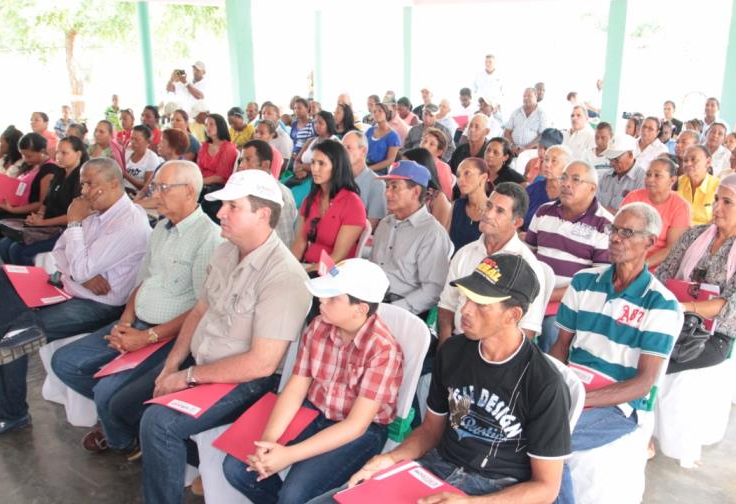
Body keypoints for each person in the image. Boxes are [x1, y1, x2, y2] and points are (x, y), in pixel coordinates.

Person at [310, 253, 572, 504]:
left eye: (480, 304)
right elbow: (430, 430)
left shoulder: (543, 383)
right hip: (436, 469)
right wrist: (390, 460)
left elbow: (546, 488)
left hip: (496, 488)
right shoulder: (453, 351)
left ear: (513, 315)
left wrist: (471, 502)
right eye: (466, 297)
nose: (465, 310)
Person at [139, 169, 310, 503]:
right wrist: (172, 366)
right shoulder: (226, 250)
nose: (220, 213)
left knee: (157, 423)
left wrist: (186, 376)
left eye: (233, 207)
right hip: (206, 364)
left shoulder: (284, 276)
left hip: (247, 382)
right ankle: (191, 464)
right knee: (139, 395)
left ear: (262, 215)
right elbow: (200, 311)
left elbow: (261, 364)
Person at [0, 158, 152, 440]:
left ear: (115, 184)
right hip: (73, 288)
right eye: (83, 184)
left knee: (11, 333)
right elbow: (59, 251)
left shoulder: (129, 221)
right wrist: (84, 275)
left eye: (91, 184)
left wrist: (75, 224)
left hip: (100, 305)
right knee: (4, 276)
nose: (85, 191)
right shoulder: (94, 210)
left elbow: (76, 263)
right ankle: (17, 336)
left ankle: (9, 413)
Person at [49, 161, 221, 454]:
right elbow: (143, 281)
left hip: (166, 337)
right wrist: (125, 322)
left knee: (106, 392)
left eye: (163, 188)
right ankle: (123, 418)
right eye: (155, 186)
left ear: (189, 192)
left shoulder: (209, 238)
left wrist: (147, 337)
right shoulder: (163, 229)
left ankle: (120, 436)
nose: (155, 194)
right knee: (64, 362)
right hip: (137, 323)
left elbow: (199, 309)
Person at [222, 257, 402, 503]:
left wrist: (288, 455)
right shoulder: (319, 326)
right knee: (238, 467)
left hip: (359, 431)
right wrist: (269, 442)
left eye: (332, 298)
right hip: (314, 410)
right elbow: (296, 388)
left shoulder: (383, 350)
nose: (321, 301)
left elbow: (356, 425)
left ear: (359, 309)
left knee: (294, 495)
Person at [552, 203, 681, 463]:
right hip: (575, 383)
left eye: (627, 233)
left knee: (548, 438)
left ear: (651, 242)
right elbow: (560, 347)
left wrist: (580, 399)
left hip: (619, 405)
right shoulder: (584, 281)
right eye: (614, 229)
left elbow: (644, 383)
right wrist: (548, 386)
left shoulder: (661, 303)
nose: (614, 238)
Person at [655, 173, 736, 373]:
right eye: (716, 199)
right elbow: (663, 276)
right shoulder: (694, 235)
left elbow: (728, 305)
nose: (717, 207)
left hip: (710, 335)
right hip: (671, 319)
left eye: (727, 202)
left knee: (654, 359)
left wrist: (681, 308)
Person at [439, 183, 549, 343]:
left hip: (495, 351)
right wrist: (445, 347)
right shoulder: (465, 253)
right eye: (489, 205)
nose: (488, 214)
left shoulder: (527, 267)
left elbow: (527, 329)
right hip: (457, 343)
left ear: (517, 223)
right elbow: (447, 305)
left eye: (500, 211)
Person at [526, 161, 613, 351]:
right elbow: (528, 254)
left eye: (575, 180)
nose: (566, 184)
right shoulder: (544, 211)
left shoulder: (604, 224)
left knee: (550, 331)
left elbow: (596, 281)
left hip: (570, 302)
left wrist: (547, 295)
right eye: (564, 177)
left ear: (592, 188)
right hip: (534, 294)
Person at [0, 133, 62, 300]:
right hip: (13, 206)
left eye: (29, 155)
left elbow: (41, 203)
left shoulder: (49, 169)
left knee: (0, 238)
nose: (25, 158)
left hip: (26, 212)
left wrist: (13, 209)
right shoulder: (28, 166)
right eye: (23, 154)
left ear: (42, 151)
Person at [371, 160, 452, 316]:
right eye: (387, 186)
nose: (387, 193)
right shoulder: (385, 223)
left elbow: (432, 290)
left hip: (402, 308)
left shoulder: (432, 234)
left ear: (415, 191)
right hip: (372, 298)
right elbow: (374, 266)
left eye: (395, 186)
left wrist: (391, 310)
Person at [0, 134, 87, 266]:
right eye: (57, 152)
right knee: (4, 245)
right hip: (48, 225)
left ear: (78, 154)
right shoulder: (59, 173)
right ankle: (15, 280)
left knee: (18, 250)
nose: (59, 157)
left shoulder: (81, 179)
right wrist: (38, 217)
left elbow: (74, 216)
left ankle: (31, 285)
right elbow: (45, 202)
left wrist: (43, 222)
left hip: (66, 229)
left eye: (64, 153)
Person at [290, 140, 366, 273]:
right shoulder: (310, 199)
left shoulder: (352, 204)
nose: (314, 168)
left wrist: (303, 275)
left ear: (337, 167)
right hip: (307, 267)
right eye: (313, 162)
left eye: (321, 163)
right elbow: (300, 242)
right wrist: (287, 268)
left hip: (334, 273)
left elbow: (337, 257)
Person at [621, 157, 691, 269]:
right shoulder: (633, 197)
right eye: (648, 175)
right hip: (626, 257)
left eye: (657, 175)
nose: (650, 179)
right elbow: (620, 233)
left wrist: (641, 266)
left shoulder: (680, 206)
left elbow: (672, 248)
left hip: (656, 267)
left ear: (672, 180)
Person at [237, 140, 297, 247]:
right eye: (241, 160)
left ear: (265, 165)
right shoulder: (253, 189)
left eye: (248, 160)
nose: (241, 165)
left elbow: (284, 240)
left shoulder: (276, 193)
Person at [134, 128, 191, 212]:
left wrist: (134, 204)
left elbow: (161, 201)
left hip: (163, 212)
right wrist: (135, 201)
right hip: (147, 205)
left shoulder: (180, 170)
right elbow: (143, 191)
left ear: (172, 147)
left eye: (162, 142)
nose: (158, 144)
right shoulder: (162, 165)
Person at [342, 131, 387, 230]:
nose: (343, 152)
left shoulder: (377, 184)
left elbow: (371, 226)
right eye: (342, 148)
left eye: (348, 148)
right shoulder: (337, 177)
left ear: (363, 151)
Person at [198, 114, 239, 220]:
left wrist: (198, 182)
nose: (208, 127)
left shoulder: (228, 148)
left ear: (220, 126)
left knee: (200, 207)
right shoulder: (204, 146)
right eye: (206, 124)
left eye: (211, 124)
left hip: (217, 188)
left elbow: (220, 177)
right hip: (202, 185)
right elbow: (199, 170)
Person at [401, 148, 452, 229]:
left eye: (406, 166)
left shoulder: (437, 197)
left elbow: (438, 233)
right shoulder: (400, 191)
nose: (401, 170)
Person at [523, 144, 569, 230]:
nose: (547, 165)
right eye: (546, 160)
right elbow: (515, 218)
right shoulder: (533, 189)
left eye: (554, 161)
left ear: (566, 166)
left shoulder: (570, 195)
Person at [449, 157, 490, 251]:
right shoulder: (456, 205)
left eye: (467, 173)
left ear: (483, 177)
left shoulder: (493, 211)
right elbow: (444, 241)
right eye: (458, 175)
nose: (460, 179)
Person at [597, 135, 644, 212]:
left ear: (630, 154)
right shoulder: (606, 176)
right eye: (610, 159)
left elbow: (638, 214)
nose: (611, 163)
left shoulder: (642, 179)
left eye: (616, 159)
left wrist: (611, 212)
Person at [677, 145, 720, 225]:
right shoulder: (676, 183)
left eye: (693, 160)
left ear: (708, 162)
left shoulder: (718, 187)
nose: (688, 164)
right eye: (685, 160)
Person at [293, 111, 339, 180]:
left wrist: (303, 166)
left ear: (329, 124)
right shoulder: (311, 140)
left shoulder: (333, 142)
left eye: (320, 123)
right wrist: (297, 169)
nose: (317, 125)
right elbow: (297, 160)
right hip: (301, 177)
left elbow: (327, 167)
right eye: (315, 122)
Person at [504, 87, 549, 155]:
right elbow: (507, 132)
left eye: (529, 96)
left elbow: (542, 135)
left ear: (536, 96)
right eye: (524, 96)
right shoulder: (516, 112)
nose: (526, 98)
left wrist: (526, 148)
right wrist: (512, 146)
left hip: (529, 152)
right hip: (512, 150)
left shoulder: (541, 114)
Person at [364, 102, 402, 175]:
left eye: (380, 111)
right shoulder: (370, 131)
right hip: (366, 165)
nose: (377, 113)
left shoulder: (393, 136)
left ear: (386, 114)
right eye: (374, 111)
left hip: (380, 171)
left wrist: (370, 169)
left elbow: (390, 160)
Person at [123, 125, 162, 193]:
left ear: (147, 142)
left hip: (136, 194)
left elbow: (146, 187)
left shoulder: (151, 158)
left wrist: (125, 175)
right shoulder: (128, 152)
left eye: (137, 140)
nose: (133, 142)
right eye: (131, 138)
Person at [418, 127, 455, 198]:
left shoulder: (443, 168)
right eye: (424, 141)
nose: (425, 146)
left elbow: (447, 196)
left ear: (439, 152)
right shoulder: (413, 161)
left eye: (431, 144)